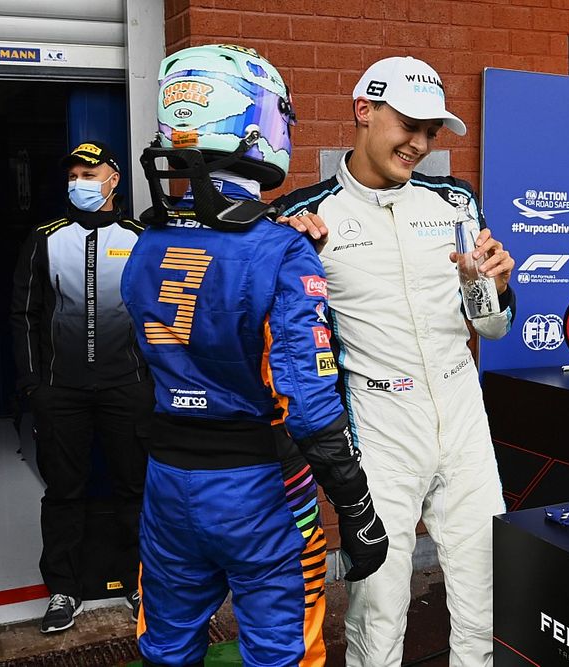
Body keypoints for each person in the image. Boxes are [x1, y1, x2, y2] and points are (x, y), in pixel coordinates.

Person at [121, 44, 387, 667]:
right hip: (260, 488)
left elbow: (136, 366)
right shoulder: (282, 252)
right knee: (283, 650)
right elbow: (311, 401)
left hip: (167, 485)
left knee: (165, 645)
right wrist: (356, 506)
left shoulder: (144, 241)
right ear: (259, 123)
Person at [274, 55, 516, 667]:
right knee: (378, 605)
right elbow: (286, 339)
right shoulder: (308, 214)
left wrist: (494, 286)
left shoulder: (455, 200)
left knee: (485, 591)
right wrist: (284, 249)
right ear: (364, 110)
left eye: (432, 131)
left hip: (462, 408)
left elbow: (490, 325)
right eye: (409, 124)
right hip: (379, 421)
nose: (419, 144)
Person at [10, 140, 152, 633]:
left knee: (135, 488)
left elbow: (162, 313)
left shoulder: (141, 236)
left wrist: (152, 382)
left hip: (127, 389)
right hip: (60, 392)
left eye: (90, 175)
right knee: (64, 493)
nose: (80, 183)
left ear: (114, 179)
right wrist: (33, 384)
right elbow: (24, 314)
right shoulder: (46, 237)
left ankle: (140, 583)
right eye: (73, 175)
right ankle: (64, 590)